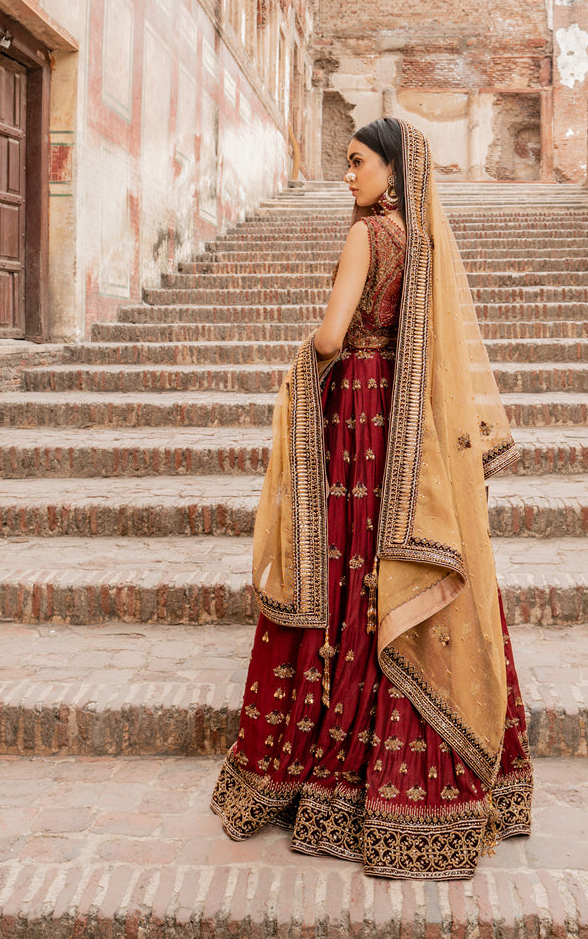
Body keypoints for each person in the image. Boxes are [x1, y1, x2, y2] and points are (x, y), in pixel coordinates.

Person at [211, 117, 532, 879]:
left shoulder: (365, 237)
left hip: (358, 410)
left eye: (356, 163)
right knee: (382, 564)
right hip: (401, 422)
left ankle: (335, 771)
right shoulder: (415, 241)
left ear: (391, 167)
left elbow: (330, 337)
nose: (347, 176)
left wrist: (307, 355)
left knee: (352, 562)